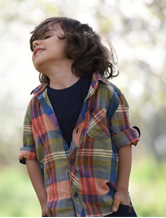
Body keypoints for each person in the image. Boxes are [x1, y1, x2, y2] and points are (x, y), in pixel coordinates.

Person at [18, 17, 140, 217]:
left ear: (75, 46)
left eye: (47, 36)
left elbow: (124, 141)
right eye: (33, 44)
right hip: (61, 211)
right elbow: (29, 156)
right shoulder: (35, 106)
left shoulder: (106, 93)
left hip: (109, 209)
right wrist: (43, 202)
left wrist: (122, 191)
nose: (35, 44)